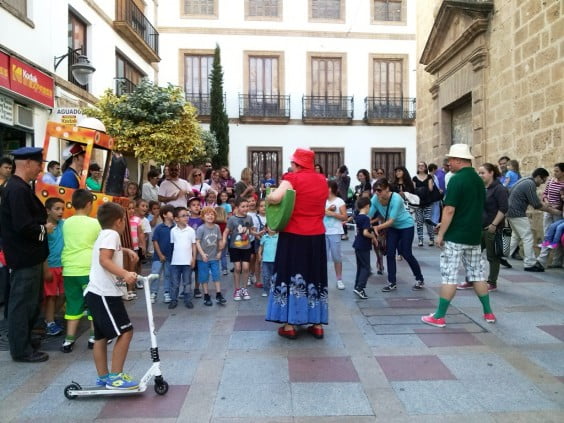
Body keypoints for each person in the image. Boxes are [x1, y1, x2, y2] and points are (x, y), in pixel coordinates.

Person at [421, 144, 496, 328]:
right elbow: (468, 207)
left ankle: (439, 316)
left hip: (455, 237)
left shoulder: (456, 180)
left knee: (449, 277)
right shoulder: (479, 180)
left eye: (450, 160)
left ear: (457, 160)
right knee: (478, 275)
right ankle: (488, 313)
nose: (448, 164)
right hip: (473, 235)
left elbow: (449, 209)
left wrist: (441, 234)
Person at [265, 148, 328, 340]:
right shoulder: (322, 181)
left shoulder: (292, 178)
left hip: (293, 234)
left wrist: (268, 196)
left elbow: (276, 198)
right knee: (314, 275)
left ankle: (290, 325)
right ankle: (317, 324)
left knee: (291, 274)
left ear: (296, 164)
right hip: (317, 235)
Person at [1, 147, 53, 362]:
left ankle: (28, 342)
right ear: (27, 164)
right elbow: (24, 226)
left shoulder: (19, 187)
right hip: (24, 256)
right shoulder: (17, 189)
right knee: (22, 304)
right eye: (38, 164)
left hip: (29, 255)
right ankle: (21, 350)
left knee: (30, 302)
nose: (40, 169)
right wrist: (45, 229)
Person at [84, 202, 140, 390]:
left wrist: (125, 250)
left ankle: (104, 376)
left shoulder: (104, 234)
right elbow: (104, 260)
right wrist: (125, 274)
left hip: (96, 293)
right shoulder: (113, 234)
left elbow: (106, 253)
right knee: (126, 331)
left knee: (100, 337)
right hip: (104, 294)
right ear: (119, 221)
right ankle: (116, 377)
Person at [456, 163, 508, 292]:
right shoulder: (482, 187)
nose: (480, 175)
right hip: (478, 227)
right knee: (471, 253)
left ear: (491, 173)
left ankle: (492, 282)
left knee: (492, 256)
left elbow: (503, 208)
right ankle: (471, 280)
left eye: (483, 172)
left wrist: (494, 224)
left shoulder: (499, 189)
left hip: (493, 228)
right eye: (479, 173)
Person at [60, 189, 101, 353]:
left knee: (73, 303)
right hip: (88, 268)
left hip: (69, 269)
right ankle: (93, 337)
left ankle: (68, 340)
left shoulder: (66, 223)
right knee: (93, 303)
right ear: (89, 204)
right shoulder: (95, 223)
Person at [369, 178, 424, 292]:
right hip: (393, 229)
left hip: (406, 226)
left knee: (406, 253)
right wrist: (364, 223)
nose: (377, 193)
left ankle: (419, 279)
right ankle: (391, 282)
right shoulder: (375, 198)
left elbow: (391, 220)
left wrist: (377, 227)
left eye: (380, 190)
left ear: (387, 189)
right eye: (375, 190)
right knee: (390, 253)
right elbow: (369, 215)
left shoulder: (396, 198)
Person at [506, 168, 560, 272]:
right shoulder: (530, 184)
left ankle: (502, 256)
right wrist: (555, 212)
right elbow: (536, 205)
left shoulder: (525, 181)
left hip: (510, 211)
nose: (543, 182)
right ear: (538, 177)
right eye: (543, 180)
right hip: (517, 213)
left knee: (516, 236)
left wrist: (546, 205)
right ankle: (529, 264)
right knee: (527, 237)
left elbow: (533, 201)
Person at [223, 196, 254, 301]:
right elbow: (226, 231)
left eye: (247, 206)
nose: (246, 208)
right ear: (237, 208)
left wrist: (259, 234)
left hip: (247, 246)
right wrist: (223, 241)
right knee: (237, 268)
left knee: (245, 268)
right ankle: (237, 289)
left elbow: (251, 229)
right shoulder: (232, 219)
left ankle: (244, 289)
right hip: (234, 247)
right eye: (243, 206)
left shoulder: (249, 218)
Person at [195, 206, 226, 306]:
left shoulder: (216, 227)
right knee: (204, 277)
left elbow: (220, 240)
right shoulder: (201, 229)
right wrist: (202, 254)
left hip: (214, 257)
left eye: (212, 214)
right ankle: (206, 295)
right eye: (207, 214)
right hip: (203, 258)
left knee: (216, 275)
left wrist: (220, 252)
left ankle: (218, 294)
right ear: (203, 217)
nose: (210, 216)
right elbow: (197, 242)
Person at [43, 197, 65, 336]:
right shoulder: (44, 228)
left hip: (63, 266)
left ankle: (50, 318)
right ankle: (49, 321)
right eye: (57, 209)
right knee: (50, 296)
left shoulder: (63, 224)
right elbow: (42, 249)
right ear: (48, 210)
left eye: (62, 209)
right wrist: (46, 269)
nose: (61, 212)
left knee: (63, 295)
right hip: (51, 266)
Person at [169, 206, 196, 309]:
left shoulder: (191, 231)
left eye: (187, 215)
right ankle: (173, 300)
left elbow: (193, 245)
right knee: (174, 283)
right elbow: (172, 245)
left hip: (187, 262)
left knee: (187, 282)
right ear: (176, 219)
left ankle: (188, 300)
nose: (186, 218)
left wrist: (193, 258)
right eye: (183, 216)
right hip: (175, 262)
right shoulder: (173, 231)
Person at [538, 163, 564, 269]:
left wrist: (555, 206)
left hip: (557, 212)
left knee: (556, 234)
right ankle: (543, 260)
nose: (555, 173)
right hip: (548, 210)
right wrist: (547, 202)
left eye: (557, 171)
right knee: (547, 234)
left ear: (563, 172)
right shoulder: (551, 181)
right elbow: (545, 194)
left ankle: (556, 260)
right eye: (554, 171)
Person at [324, 180, 348, 290]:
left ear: (330, 189)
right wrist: (327, 210)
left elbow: (345, 217)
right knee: (323, 257)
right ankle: (322, 280)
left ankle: (339, 279)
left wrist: (333, 214)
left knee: (336, 257)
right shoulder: (322, 200)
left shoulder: (339, 201)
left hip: (335, 232)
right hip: (322, 232)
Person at [352, 197, 377, 299]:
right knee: (366, 267)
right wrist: (373, 237)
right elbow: (365, 233)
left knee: (360, 266)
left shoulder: (358, 217)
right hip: (363, 245)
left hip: (357, 245)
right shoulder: (366, 218)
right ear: (367, 206)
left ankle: (357, 285)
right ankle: (360, 288)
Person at [150, 204, 174, 304]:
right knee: (155, 274)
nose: (174, 214)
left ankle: (167, 293)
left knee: (168, 275)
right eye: (171, 212)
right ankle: (153, 293)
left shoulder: (175, 228)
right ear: (164, 215)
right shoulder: (159, 228)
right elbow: (155, 241)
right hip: (157, 257)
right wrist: (160, 254)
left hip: (170, 256)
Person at [413, 161, 435, 247]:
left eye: (422, 166)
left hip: (427, 202)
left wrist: (431, 181)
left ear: (425, 168)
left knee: (428, 220)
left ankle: (431, 238)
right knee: (419, 222)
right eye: (419, 165)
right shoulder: (414, 178)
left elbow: (431, 189)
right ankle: (420, 240)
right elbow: (413, 189)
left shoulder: (429, 177)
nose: (421, 167)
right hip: (418, 203)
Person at [258, 224, 278, 297]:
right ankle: (266, 290)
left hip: (275, 260)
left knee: (275, 276)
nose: (272, 228)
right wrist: (259, 254)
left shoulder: (278, 237)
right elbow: (261, 247)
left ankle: (274, 289)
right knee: (266, 276)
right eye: (270, 227)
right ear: (266, 229)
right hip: (266, 260)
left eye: (273, 226)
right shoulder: (264, 237)